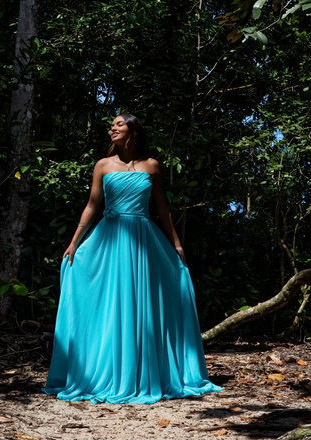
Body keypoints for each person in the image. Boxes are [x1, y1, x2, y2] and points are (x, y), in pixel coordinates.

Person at [43, 113, 221, 404]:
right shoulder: (103, 165)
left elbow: (162, 208)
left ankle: (142, 372)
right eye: (111, 125)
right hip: (110, 238)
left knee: (142, 304)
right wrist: (74, 242)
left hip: (143, 239)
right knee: (111, 302)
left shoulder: (152, 166)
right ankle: (109, 371)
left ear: (133, 130)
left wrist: (176, 244)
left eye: (119, 124)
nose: (112, 128)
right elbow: (92, 205)